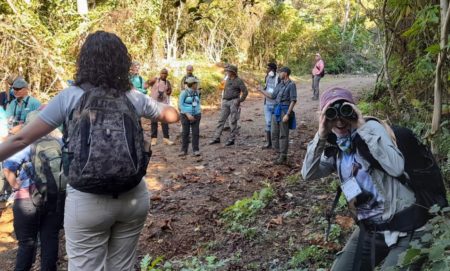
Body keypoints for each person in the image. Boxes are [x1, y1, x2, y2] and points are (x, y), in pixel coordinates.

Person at [0, 31, 179, 271]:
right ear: (122, 62)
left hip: (86, 199)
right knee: (122, 267)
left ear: (84, 61)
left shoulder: (70, 97)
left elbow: (21, 138)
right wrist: (167, 100)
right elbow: (171, 116)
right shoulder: (132, 96)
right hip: (132, 196)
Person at [301, 87, 424, 271]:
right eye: (332, 114)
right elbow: (308, 173)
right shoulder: (336, 144)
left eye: (345, 112)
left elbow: (396, 167)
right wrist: (321, 134)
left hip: (406, 226)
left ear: (354, 109)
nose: (340, 121)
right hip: (371, 228)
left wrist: (361, 125)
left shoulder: (371, 129)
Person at [3, 110, 63, 271]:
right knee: (50, 239)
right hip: (54, 198)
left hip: (27, 199)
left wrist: (16, 186)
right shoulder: (60, 141)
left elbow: (8, 169)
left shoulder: (25, 143)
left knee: (27, 243)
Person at [258, 67, 297, 165]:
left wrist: (288, 114)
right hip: (276, 110)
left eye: (281, 73)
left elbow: (293, 100)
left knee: (283, 134)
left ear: (286, 73)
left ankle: (283, 155)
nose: (279, 74)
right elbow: (272, 96)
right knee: (273, 132)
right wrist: (261, 90)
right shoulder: (279, 85)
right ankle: (278, 152)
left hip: (285, 110)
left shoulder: (291, 85)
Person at [209, 64, 248, 146]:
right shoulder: (227, 79)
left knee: (233, 121)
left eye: (228, 71)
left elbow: (245, 92)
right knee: (221, 120)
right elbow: (222, 88)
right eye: (227, 71)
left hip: (234, 101)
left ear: (233, 72)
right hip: (225, 101)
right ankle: (216, 137)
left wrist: (240, 100)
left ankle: (232, 139)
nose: (227, 72)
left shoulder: (238, 81)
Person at [148, 68, 175, 146]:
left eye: (165, 73)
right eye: (162, 73)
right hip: (154, 104)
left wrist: (168, 92)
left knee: (165, 122)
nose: (163, 75)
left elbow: (169, 92)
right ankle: (153, 139)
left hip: (163, 105)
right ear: (160, 74)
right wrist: (150, 81)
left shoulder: (168, 82)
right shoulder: (155, 80)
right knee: (154, 122)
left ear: (167, 75)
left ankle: (166, 139)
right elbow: (146, 85)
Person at [178, 77, 202, 157]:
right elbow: (180, 105)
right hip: (185, 116)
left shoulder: (197, 92)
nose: (197, 85)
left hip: (196, 115)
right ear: (192, 84)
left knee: (196, 133)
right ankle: (184, 150)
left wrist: (197, 112)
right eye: (196, 83)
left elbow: (197, 102)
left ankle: (196, 150)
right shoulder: (184, 93)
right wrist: (188, 114)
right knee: (185, 133)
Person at [261, 62, 280, 149]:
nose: (267, 70)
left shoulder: (278, 78)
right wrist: (261, 89)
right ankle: (269, 143)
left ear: (273, 69)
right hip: (267, 104)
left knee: (276, 124)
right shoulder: (267, 77)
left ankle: (276, 143)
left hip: (275, 104)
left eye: (268, 68)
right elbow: (266, 87)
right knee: (268, 123)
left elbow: (279, 91)